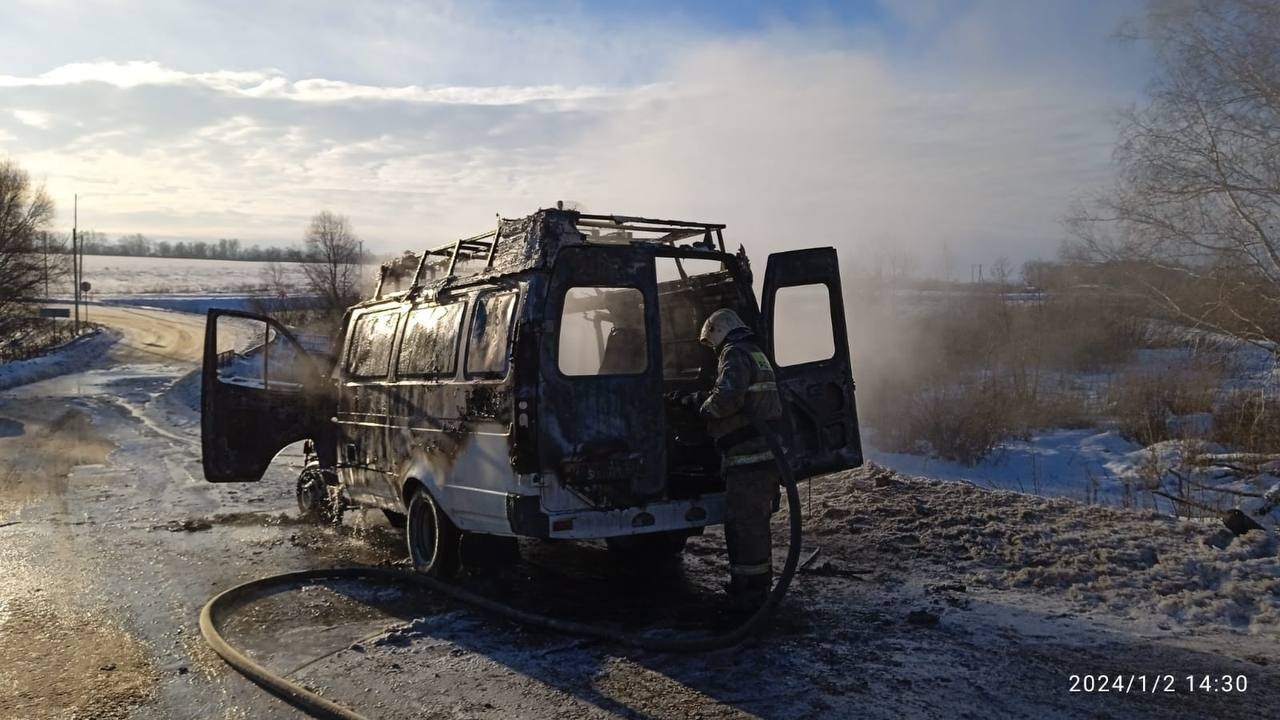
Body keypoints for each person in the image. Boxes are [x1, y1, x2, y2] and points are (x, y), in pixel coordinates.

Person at [695, 308, 784, 609]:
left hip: (748, 458)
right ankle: (756, 588)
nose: (714, 349)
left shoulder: (734, 353)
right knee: (755, 525)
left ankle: (749, 597)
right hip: (764, 455)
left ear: (719, 331)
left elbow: (728, 396)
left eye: (712, 343)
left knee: (744, 526)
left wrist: (704, 408)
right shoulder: (756, 352)